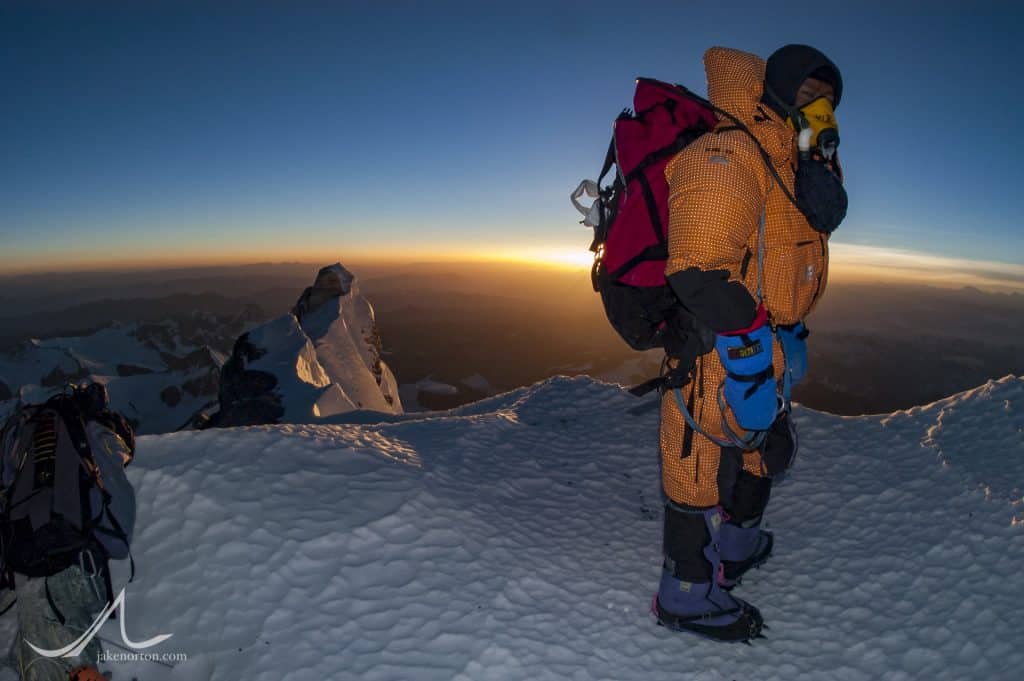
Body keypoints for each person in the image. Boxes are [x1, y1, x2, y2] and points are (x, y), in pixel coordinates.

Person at [653, 45, 847, 641]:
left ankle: (735, 548)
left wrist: (783, 337)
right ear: (780, 90)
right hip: (719, 347)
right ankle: (685, 594)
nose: (822, 108)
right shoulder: (731, 149)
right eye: (810, 92)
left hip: (773, 340)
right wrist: (748, 353)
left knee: (767, 444)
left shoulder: (791, 162)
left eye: (830, 100)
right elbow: (699, 270)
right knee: (696, 463)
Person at [2, 383, 135, 680]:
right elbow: (118, 541)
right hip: (67, 564)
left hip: (22, 559)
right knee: (64, 652)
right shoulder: (93, 436)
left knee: (43, 646)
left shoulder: (28, 430)